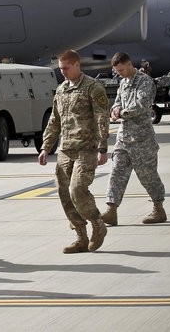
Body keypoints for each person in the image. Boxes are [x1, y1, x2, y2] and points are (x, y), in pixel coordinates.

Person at [38, 50, 110, 253]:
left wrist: (103, 147)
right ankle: (80, 236)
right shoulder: (61, 90)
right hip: (65, 150)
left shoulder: (93, 88)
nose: (63, 73)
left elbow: (102, 118)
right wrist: (45, 147)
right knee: (64, 195)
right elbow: (54, 121)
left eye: (66, 68)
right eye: (60, 69)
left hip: (86, 149)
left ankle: (97, 224)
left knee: (77, 190)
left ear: (77, 65)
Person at [102, 52, 167, 226]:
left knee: (147, 176)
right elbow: (117, 101)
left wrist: (121, 113)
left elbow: (142, 104)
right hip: (123, 138)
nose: (120, 73)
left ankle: (158, 208)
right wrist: (115, 109)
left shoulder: (144, 81)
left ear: (129, 64)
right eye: (117, 71)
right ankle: (111, 210)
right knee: (116, 173)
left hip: (142, 139)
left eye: (121, 70)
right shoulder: (123, 83)